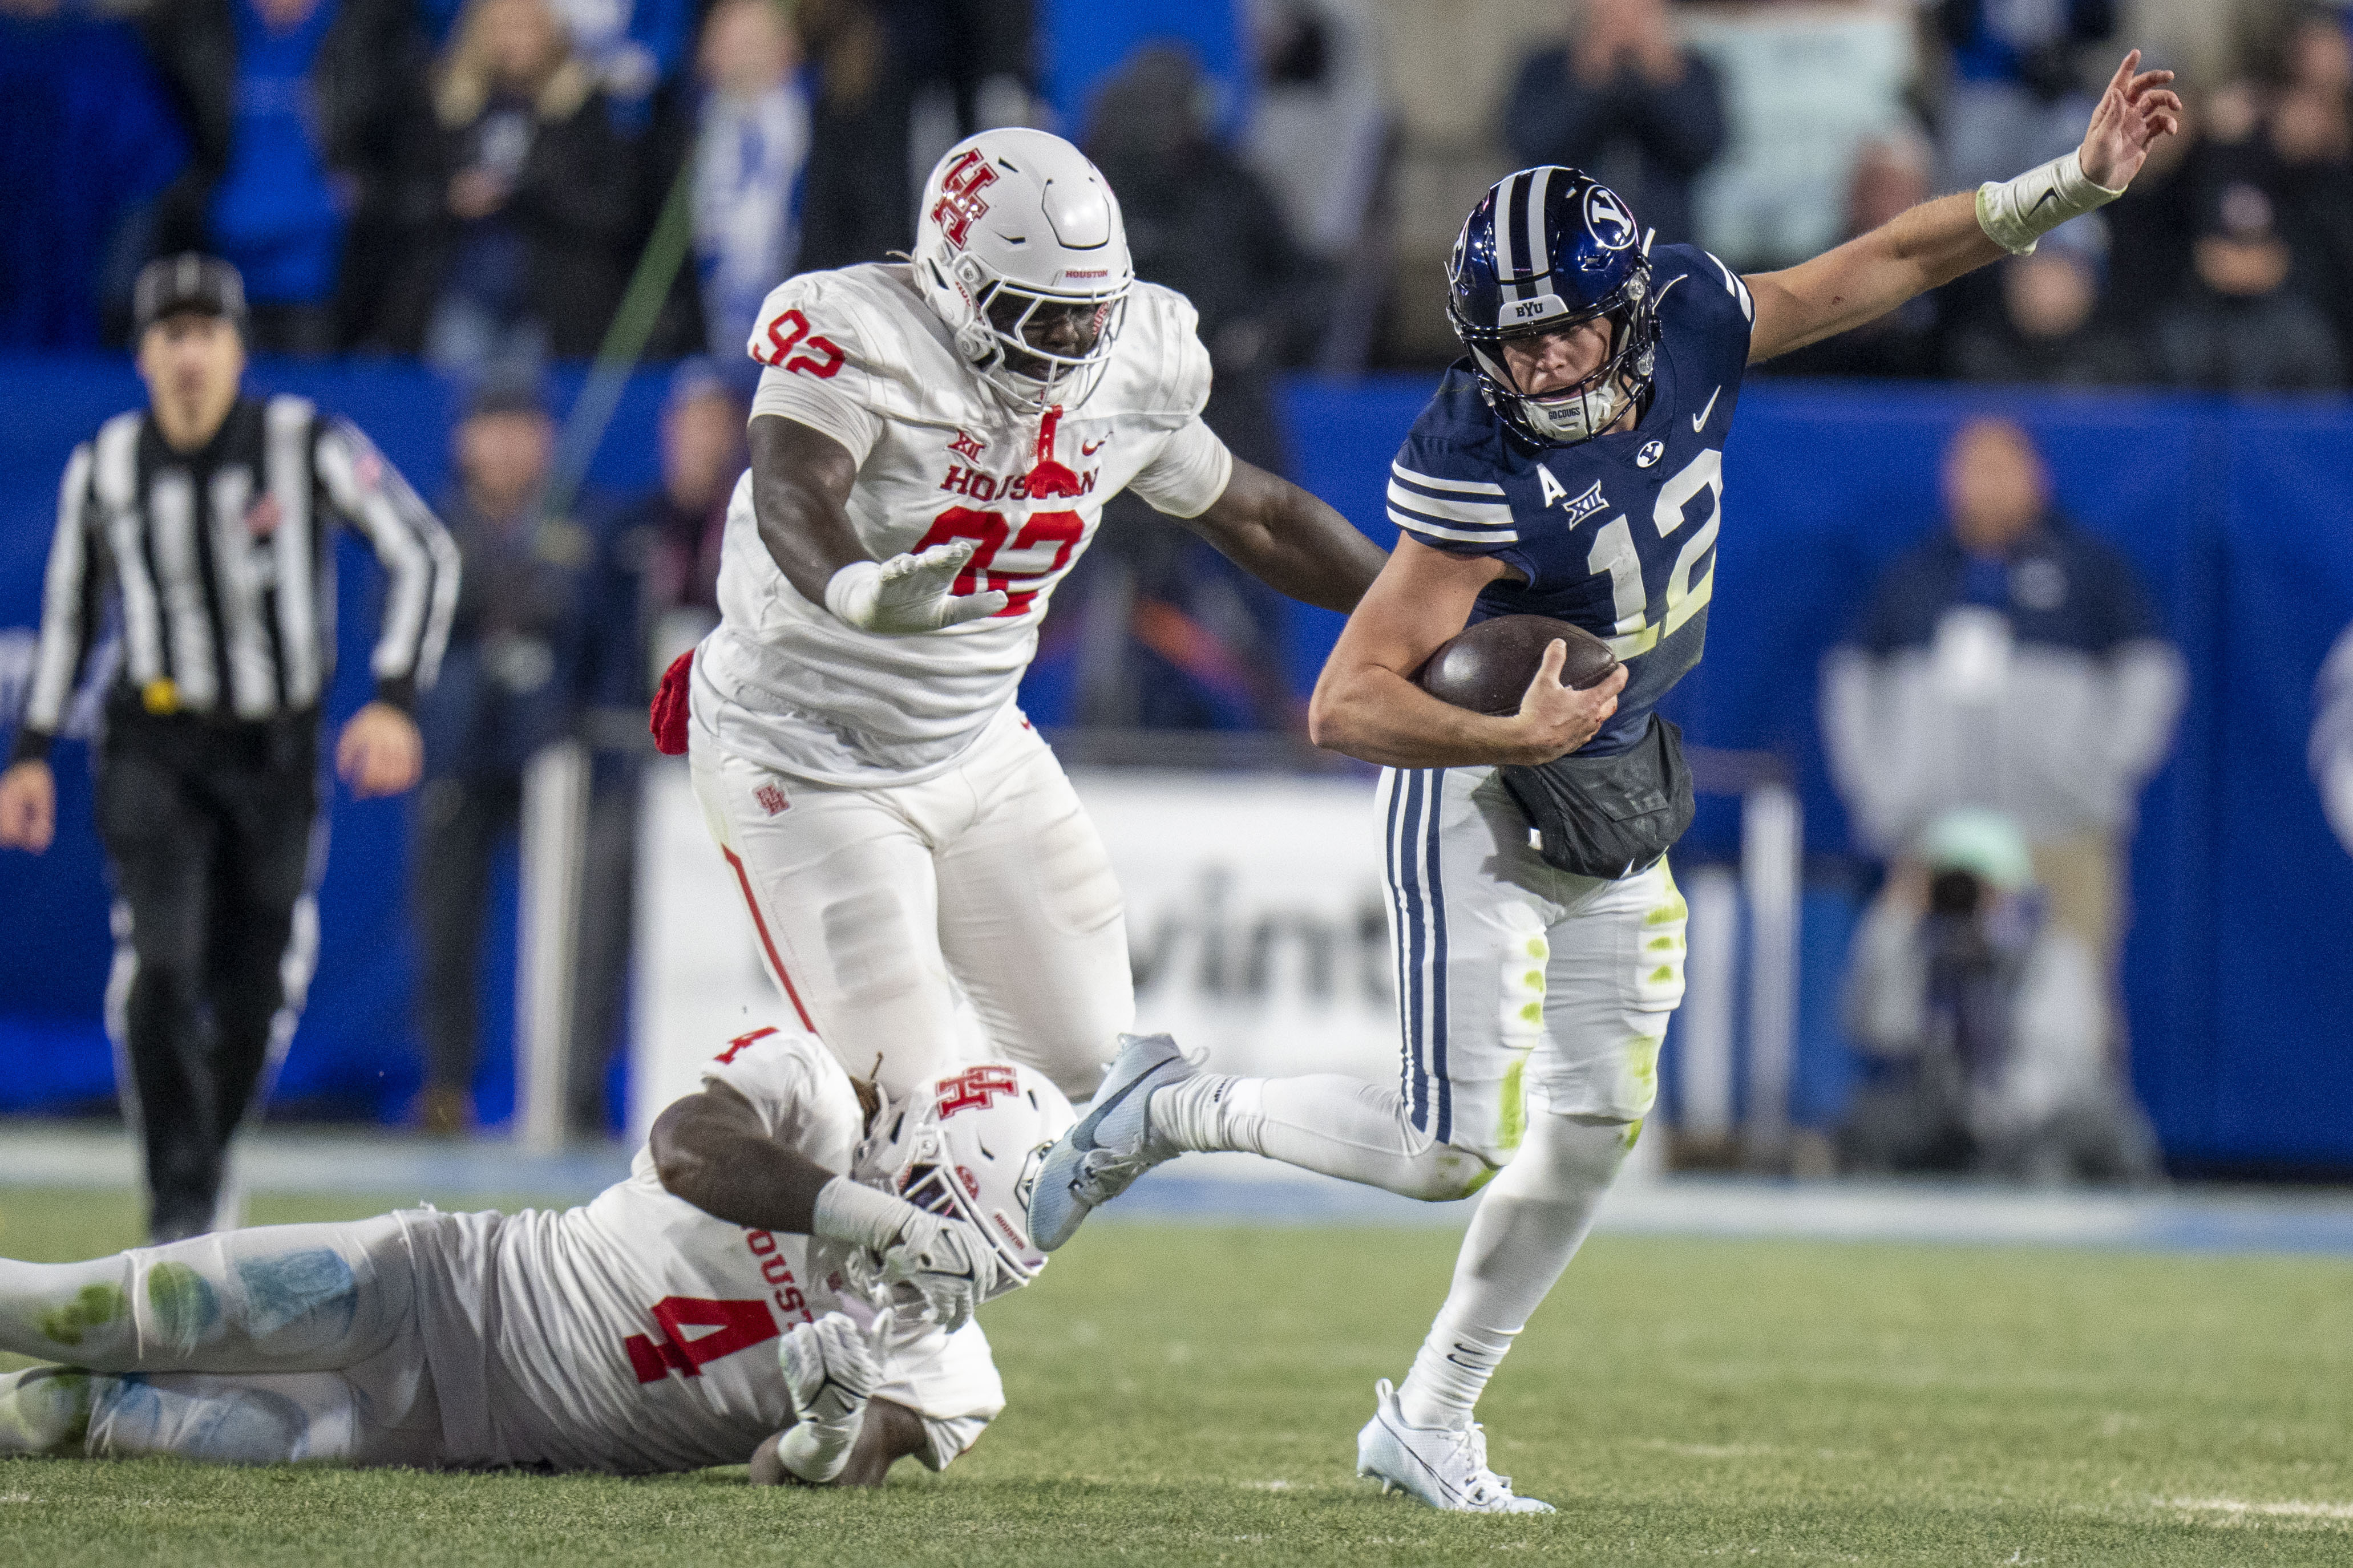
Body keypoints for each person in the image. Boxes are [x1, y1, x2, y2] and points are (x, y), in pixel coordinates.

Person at [1028, 54, 2181, 1513]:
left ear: (1629, 307)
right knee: (1453, 1145)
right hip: (1476, 783)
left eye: (1568, 327)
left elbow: (1878, 262)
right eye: (1513, 341)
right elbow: (1345, 699)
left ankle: (1430, 1415)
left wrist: (2065, 188)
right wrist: (1507, 742)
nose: (1546, 362)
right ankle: (1170, 1102)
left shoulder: (1693, 313)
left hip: (1609, 750)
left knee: (1597, 1119)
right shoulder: (1470, 448)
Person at [658, 127, 1387, 1109]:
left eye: (1088, 317)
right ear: (952, 282)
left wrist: (1415, 614)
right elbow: (796, 490)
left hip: (973, 740)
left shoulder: (1129, 363)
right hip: (805, 744)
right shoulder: (857, 333)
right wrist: (853, 589)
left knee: (1093, 1062)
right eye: (1037, 318)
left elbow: (1255, 512)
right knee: (909, 1095)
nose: (1071, 345)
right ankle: (782, 1206)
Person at [0, 1020, 1072, 1482]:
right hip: (433, 1281)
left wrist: (825, 1428)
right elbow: (686, 1148)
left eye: (964, 1254)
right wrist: (871, 1218)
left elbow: (791, 1480)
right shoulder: (811, 1096)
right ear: (911, 1147)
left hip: (449, 1428)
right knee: (83, 1313)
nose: (929, 1264)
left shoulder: (949, 1370)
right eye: (934, 1217)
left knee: (68, 1418)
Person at [0, 254, 456, 1242]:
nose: (190, 353)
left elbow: (422, 547)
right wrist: (32, 749)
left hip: (273, 754)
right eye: (171, 334)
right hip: (154, 742)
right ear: (144, 356)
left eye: (208, 331)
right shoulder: (107, 465)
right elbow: (70, 615)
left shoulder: (304, 443)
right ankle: (182, 1200)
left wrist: (393, 698)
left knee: (253, 987)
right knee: (162, 962)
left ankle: (200, 1169)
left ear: (240, 349)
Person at [1821, 416, 2181, 986]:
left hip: (2058, 832)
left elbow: (2150, 675)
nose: (1985, 484)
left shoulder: (2088, 569)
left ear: (2035, 476)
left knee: (2070, 1003)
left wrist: (2093, 773)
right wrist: (1883, 787)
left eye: (2000, 467)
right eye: (1972, 468)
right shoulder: (1911, 575)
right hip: (1931, 836)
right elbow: (1849, 686)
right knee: (1905, 999)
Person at [410, 378, 599, 1133]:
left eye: (522, 425)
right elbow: (397, 628)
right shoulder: (432, 528)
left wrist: (549, 598)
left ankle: (566, 1088)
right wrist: (483, 600)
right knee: (446, 927)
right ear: (466, 440)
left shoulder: (576, 524)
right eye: (493, 426)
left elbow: (596, 628)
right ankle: (447, 1085)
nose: (508, 444)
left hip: (550, 753)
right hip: (458, 748)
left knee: (569, 925)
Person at [1839, 808, 2158, 1184]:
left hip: (2029, 1123)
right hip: (1946, 1120)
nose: (1964, 900)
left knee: (2089, 1136)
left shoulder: (2053, 956)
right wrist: (1896, 922)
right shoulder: (1918, 951)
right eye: (1947, 884)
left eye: (1976, 886)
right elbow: (1880, 1033)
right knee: (1869, 1123)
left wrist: (1995, 1112)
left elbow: (2061, 1067)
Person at [136, 0, 428, 355]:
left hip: (334, 281)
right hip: (215, 270)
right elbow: (163, 145)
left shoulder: (376, 27)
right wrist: (205, 203)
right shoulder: (196, 24)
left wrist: (358, 196)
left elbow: (411, 157)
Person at [382, 0, 638, 371]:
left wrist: (523, 193)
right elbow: (401, 197)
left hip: (550, 303)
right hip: (461, 295)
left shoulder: (585, 110)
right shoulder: (445, 106)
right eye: (499, 26)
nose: (510, 40)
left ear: (552, 32)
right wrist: (452, 199)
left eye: (523, 26)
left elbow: (610, 208)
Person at [1502, 0, 1728, 250]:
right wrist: (1590, 78)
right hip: (1567, 247)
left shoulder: (1689, 71)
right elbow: (1534, 147)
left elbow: (1703, 147)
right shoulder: (1545, 69)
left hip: (1664, 247)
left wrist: (1663, 78)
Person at [688, 0, 812, 363]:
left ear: (790, 47)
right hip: (709, 338)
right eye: (733, 44)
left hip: (804, 325)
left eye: (756, 42)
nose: (745, 58)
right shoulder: (691, 132)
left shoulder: (822, 121)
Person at [2152, 178, 2345, 391]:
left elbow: (2325, 416)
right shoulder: (2176, 331)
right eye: (2234, 242)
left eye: (2256, 243)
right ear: (2203, 252)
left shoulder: (2306, 334)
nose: (2245, 257)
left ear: (2280, 254)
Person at [1946, 243, 2146, 384]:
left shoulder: (2120, 366)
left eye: (2061, 266)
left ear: (2091, 282)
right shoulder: (1977, 359)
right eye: (2030, 265)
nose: (2043, 282)